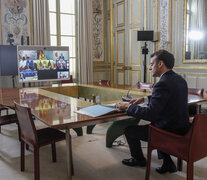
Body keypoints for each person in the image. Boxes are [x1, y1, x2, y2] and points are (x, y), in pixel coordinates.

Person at [116, 50, 190, 174]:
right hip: (182, 127)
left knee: (130, 130)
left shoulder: (162, 83)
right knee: (158, 123)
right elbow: (168, 98)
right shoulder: (180, 79)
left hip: (168, 131)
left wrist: (128, 107)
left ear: (160, 64)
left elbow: (150, 114)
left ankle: (138, 159)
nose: (150, 68)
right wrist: (144, 99)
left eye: (151, 64)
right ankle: (168, 164)